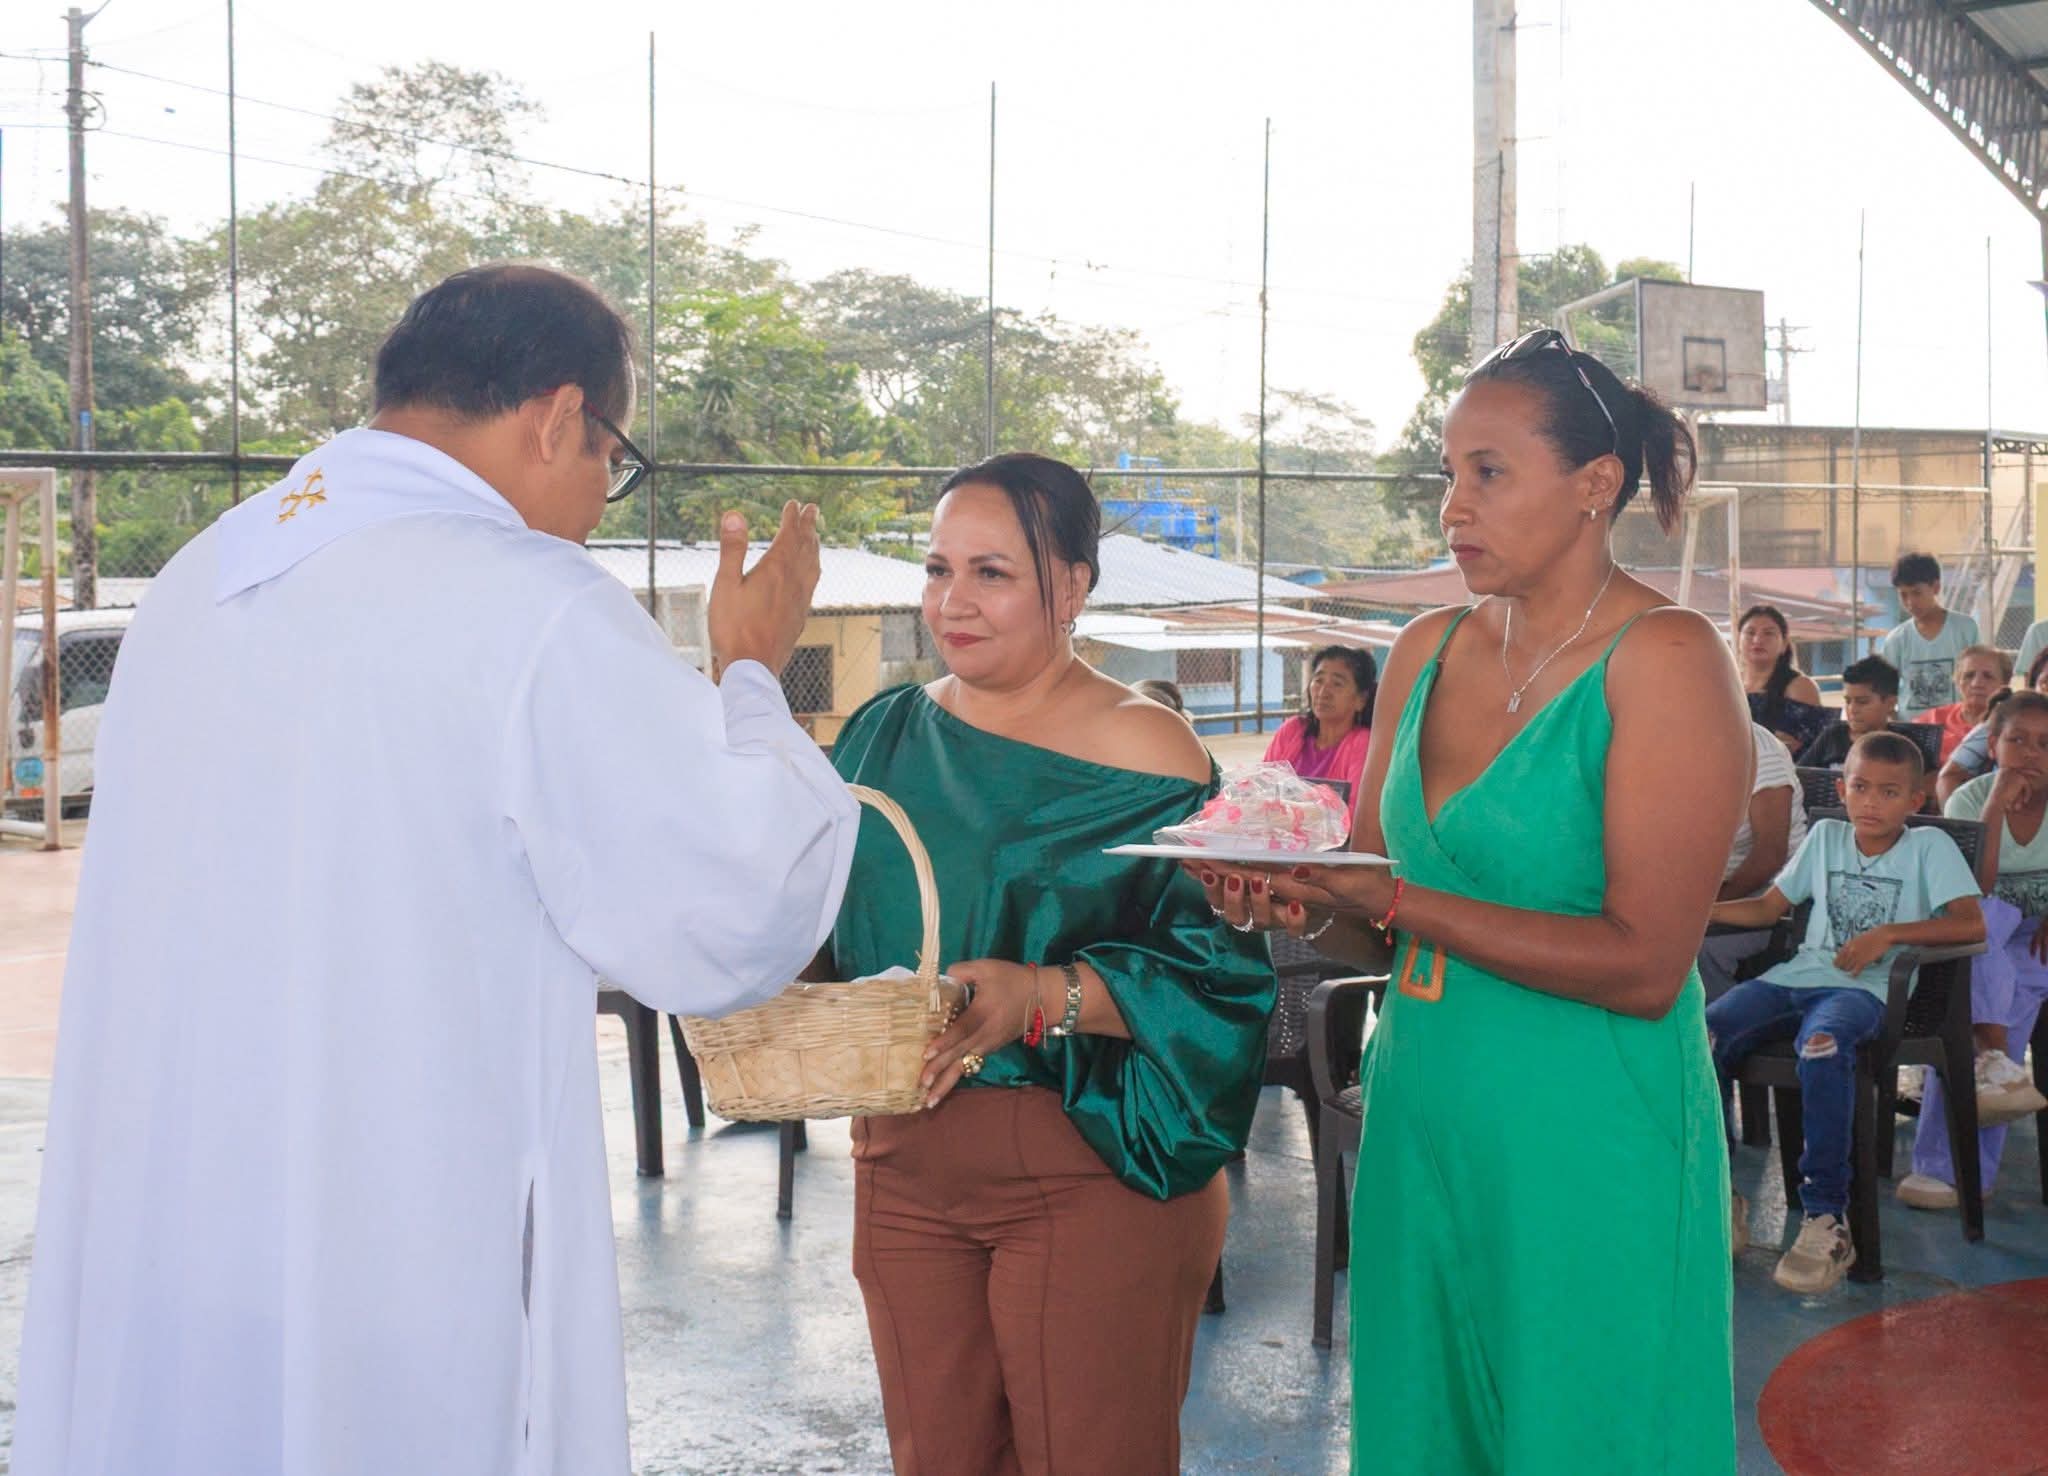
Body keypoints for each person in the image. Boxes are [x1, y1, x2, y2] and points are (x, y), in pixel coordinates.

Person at [12, 266, 863, 1476]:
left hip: (178, 1224)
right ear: (558, 417)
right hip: (393, 1237)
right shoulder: (528, 602)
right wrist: (751, 671)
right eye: (611, 461)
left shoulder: (203, 576)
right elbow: (730, 904)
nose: (598, 502)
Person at [1198, 327, 1747, 1474]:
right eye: (1446, 473)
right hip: (1423, 1101)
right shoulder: (1424, 648)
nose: (1453, 506)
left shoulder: (1664, 656)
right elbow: (1367, 905)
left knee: (1585, 1434)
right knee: (1425, 1431)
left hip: (1586, 1120)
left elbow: (1644, 965)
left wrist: (1392, 899)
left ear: (1594, 484)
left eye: (1487, 472)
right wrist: (1284, 899)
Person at [827, 452, 1275, 1475]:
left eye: (991, 573)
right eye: (938, 569)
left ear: (1071, 586)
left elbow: (1218, 975)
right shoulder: (881, 735)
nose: (952, 601)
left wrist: (1043, 995)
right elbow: (815, 916)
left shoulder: (1146, 750)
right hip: (900, 1160)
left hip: (1089, 1158)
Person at [1707, 733, 1983, 1291]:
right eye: (1860, 788)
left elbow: (1971, 924)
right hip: (1794, 979)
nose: (1871, 802)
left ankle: (1826, 1218)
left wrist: (1889, 934)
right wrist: (1698, 911)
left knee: (1823, 1046)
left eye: (1889, 792)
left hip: (1865, 993)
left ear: (1916, 799)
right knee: (1704, 1034)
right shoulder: (1826, 836)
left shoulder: (1929, 847)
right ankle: (1719, 1192)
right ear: (1842, 790)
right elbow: (1769, 907)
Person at [1896, 694, 2048, 1211]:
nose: (2030, 752)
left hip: (2035, 940)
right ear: (1992, 744)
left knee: (1980, 1006)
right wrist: (1996, 805)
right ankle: (1994, 1064)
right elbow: (1974, 890)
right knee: (1985, 934)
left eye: (2045, 743)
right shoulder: (1968, 799)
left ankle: (1946, 1167)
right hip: (1982, 937)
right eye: (2017, 739)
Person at [1697, 724, 1808, 1002]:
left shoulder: (1759, 750)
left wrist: (1704, 908)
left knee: (1692, 945)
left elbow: (1769, 856)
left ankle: (1712, 1022)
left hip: (1769, 894)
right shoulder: (1676, 741)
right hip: (1705, 886)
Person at [1262, 644, 1378, 816]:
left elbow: (1354, 813)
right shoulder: (1292, 730)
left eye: (1337, 684)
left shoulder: (1362, 743)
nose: (1323, 692)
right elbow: (1262, 787)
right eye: (1318, 680)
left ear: (1361, 699)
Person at [1934, 648, 2048, 804]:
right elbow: (1949, 776)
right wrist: (1962, 816)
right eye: (2046, 683)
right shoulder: (2006, 721)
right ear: (2033, 687)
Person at [1881, 551, 1980, 713]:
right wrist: (1895, 721)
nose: (1910, 602)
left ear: (1936, 587)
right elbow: (1885, 692)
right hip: (1912, 725)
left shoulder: (1965, 628)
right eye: (1903, 595)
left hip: (1955, 724)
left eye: (1917, 593)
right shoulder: (1896, 639)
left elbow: (1978, 677)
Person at [1738, 604, 1828, 754]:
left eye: (1768, 633)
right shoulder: (1727, 684)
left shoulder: (1800, 686)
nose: (1757, 639)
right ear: (1738, 639)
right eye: (1750, 632)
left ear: (1784, 644)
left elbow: (1786, 749)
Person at [1798, 655, 1901, 769]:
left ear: (1890, 703)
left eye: (1862, 702)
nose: (1852, 709)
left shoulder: (1903, 745)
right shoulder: (1832, 737)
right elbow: (1798, 774)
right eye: (1848, 701)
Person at [1915, 643, 2007, 765]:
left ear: (2005, 684)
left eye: (1988, 676)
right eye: (1969, 676)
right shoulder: (1932, 720)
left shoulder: (2009, 725)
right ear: (1957, 681)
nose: (1976, 684)